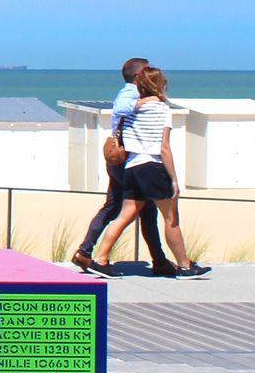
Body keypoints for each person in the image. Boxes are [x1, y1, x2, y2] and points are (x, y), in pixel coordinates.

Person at [91, 67, 208, 277]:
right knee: (171, 218)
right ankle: (184, 265)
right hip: (152, 167)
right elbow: (163, 148)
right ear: (160, 85)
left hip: (131, 166)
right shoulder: (162, 110)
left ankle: (100, 258)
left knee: (125, 215)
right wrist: (174, 180)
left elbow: (120, 118)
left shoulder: (130, 109)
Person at [71, 57, 173, 276]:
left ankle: (87, 251)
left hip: (125, 160)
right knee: (131, 211)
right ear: (138, 76)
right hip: (129, 160)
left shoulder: (136, 93)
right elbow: (122, 108)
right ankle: (97, 255)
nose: (152, 75)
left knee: (127, 210)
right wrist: (154, 100)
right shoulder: (131, 93)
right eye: (147, 72)